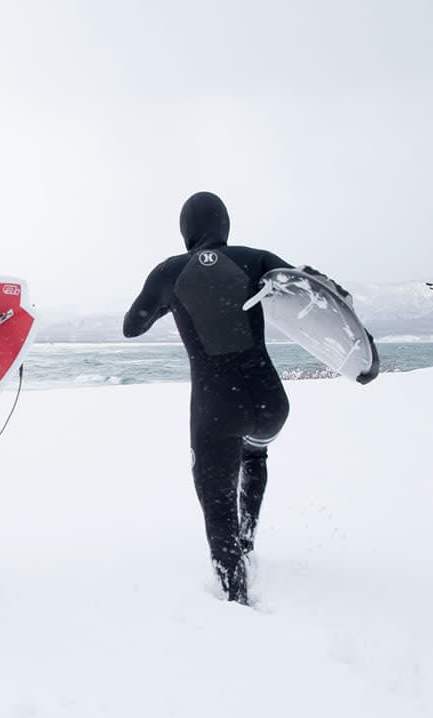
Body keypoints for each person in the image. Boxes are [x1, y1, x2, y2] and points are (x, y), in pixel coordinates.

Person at [123, 191, 305, 604]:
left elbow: (132, 326)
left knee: (215, 497)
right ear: (224, 225)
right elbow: (306, 296)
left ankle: (235, 596)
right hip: (270, 402)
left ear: (186, 231)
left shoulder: (170, 270)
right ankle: (248, 540)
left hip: (218, 408)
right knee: (254, 455)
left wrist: (170, 301)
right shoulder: (258, 258)